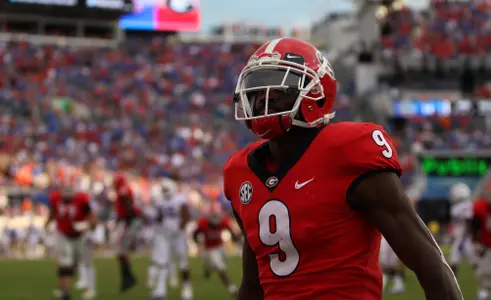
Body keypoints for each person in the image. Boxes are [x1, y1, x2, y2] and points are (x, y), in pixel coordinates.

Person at [223, 37, 462, 300]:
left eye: (279, 88)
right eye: (256, 88)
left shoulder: (349, 150)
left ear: (317, 92)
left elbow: (429, 262)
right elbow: (252, 286)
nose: (261, 99)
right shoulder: (239, 172)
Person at [45, 190, 97, 300]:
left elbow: (93, 219)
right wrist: (47, 223)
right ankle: (65, 290)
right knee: (65, 263)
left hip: (81, 235)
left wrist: (85, 225)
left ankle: (90, 288)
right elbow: (53, 213)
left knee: (85, 262)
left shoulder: (81, 200)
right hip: (64, 234)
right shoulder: (55, 199)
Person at [147, 178, 192, 300]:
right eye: (163, 189)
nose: (164, 191)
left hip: (178, 235)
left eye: (166, 189)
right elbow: (159, 217)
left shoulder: (180, 199)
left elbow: (187, 216)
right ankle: (161, 290)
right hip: (164, 235)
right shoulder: (160, 200)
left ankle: (187, 288)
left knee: (182, 262)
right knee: (162, 262)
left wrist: (180, 227)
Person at [192, 205, 239, 297]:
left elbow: (230, 231)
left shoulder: (223, 222)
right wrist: (197, 242)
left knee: (219, 263)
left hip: (220, 246)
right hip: (209, 248)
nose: (215, 226)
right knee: (220, 267)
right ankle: (231, 287)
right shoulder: (203, 223)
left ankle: (208, 267)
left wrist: (235, 239)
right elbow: (196, 233)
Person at [113, 173, 142, 293]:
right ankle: (129, 277)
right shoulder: (123, 189)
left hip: (128, 221)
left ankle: (128, 278)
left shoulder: (123, 189)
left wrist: (126, 220)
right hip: (128, 220)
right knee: (121, 251)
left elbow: (128, 204)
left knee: (120, 250)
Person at [448, 182, 475, 276]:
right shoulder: (456, 207)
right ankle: (453, 286)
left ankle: (483, 286)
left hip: (466, 239)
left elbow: (468, 222)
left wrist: (463, 238)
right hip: (459, 238)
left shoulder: (466, 206)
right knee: (453, 262)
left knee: (475, 262)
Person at [472, 182, 491, 300]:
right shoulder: (480, 207)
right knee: (484, 270)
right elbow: (475, 225)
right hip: (486, 243)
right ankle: (484, 289)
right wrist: (477, 241)